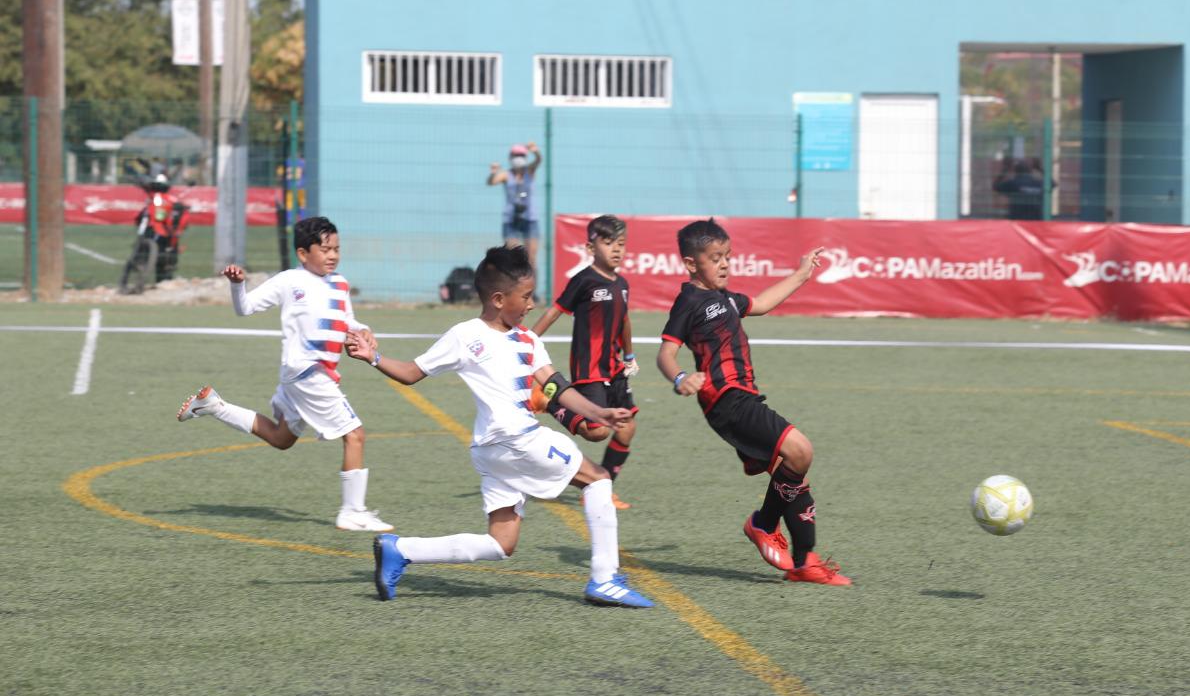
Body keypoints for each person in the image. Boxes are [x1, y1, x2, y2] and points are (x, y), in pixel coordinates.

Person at [343, 245, 653, 608]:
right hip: (516, 440)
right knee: (598, 478)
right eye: (525, 296)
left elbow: (555, 386)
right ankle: (604, 579)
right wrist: (373, 357)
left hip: (491, 451)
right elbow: (412, 372)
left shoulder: (528, 339)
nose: (532, 304)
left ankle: (401, 550)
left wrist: (597, 414)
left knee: (501, 544)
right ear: (497, 298)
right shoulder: (466, 335)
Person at [655, 218, 851, 586]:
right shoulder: (689, 300)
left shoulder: (726, 298)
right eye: (715, 258)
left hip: (744, 396)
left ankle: (805, 561)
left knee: (792, 472)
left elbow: (760, 304)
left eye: (727, 255)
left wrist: (801, 274)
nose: (726, 263)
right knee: (800, 451)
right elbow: (665, 353)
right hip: (725, 399)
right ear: (691, 263)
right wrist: (681, 377)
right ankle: (762, 524)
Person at [175, 216, 393, 533]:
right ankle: (352, 512)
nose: (333, 255)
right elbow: (245, 308)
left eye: (337, 249)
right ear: (304, 254)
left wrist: (363, 330)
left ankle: (215, 406)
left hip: (309, 375)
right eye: (325, 249)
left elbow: (348, 320)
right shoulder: (290, 281)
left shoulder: (340, 284)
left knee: (282, 439)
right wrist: (238, 285)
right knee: (355, 434)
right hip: (308, 373)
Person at [529, 215, 638, 510]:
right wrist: (527, 342)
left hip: (614, 368)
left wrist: (629, 355)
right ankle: (549, 400)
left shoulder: (624, 284)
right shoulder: (584, 280)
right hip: (589, 368)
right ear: (591, 247)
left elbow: (624, 320)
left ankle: (606, 488)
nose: (616, 249)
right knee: (597, 431)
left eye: (621, 244)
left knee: (627, 428)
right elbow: (555, 311)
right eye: (608, 243)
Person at [487, 142, 542, 267]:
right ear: (511, 157)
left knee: (531, 258)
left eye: (521, 155)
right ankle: (513, 285)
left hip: (530, 218)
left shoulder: (530, 172)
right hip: (511, 218)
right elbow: (491, 182)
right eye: (515, 155)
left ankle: (531, 286)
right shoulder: (507, 174)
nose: (518, 158)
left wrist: (535, 151)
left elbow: (538, 160)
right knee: (511, 256)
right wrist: (493, 172)